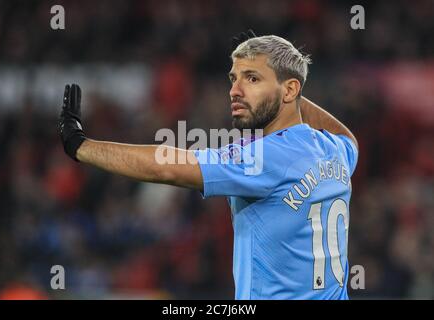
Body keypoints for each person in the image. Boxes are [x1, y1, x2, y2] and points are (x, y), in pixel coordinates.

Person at [59, 32, 358, 300]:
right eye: (234, 78)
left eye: (252, 79)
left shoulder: (263, 157)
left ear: (289, 90)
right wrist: (291, 95)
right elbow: (349, 138)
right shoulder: (335, 151)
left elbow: (166, 166)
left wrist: (82, 147)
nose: (235, 91)